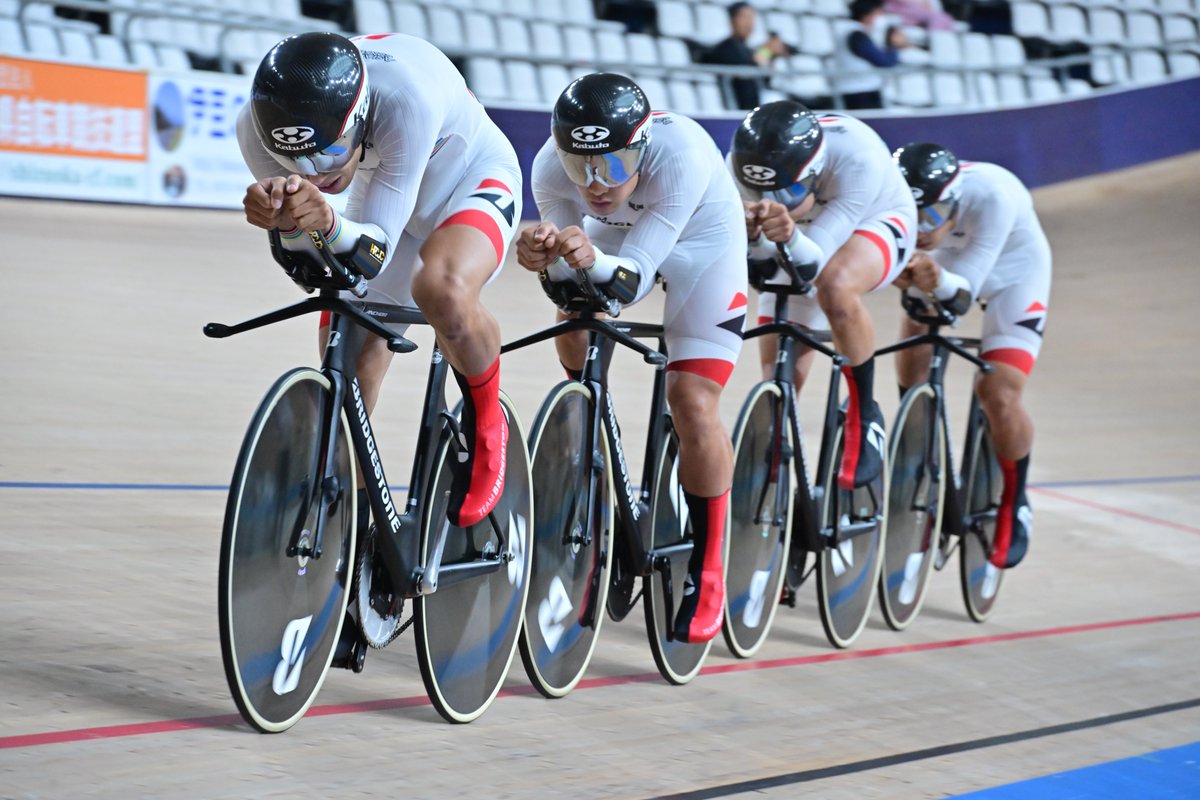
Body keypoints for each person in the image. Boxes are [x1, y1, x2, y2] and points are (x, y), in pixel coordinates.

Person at [236, 31, 522, 531]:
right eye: (295, 161)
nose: (315, 174)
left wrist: (320, 223)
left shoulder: (404, 98)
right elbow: (314, 269)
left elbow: (374, 253)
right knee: (344, 342)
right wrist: (284, 225)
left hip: (471, 182)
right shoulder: (255, 126)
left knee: (443, 290)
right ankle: (364, 531)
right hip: (390, 188)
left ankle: (487, 421)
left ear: (360, 117)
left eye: (329, 153)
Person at [516, 73, 748, 644]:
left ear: (641, 147)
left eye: (614, 166)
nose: (595, 183)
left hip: (701, 246)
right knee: (574, 309)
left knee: (691, 400)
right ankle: (587, 408)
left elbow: (634, 278)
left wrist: (584, 261)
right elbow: (573, 277)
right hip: (617, 238)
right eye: (581, 167)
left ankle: (711, 563)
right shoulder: (549, 165)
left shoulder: (682, 155)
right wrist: (546, 258)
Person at [729, 100, 917, 490]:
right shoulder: (739, 163)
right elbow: (761, 274)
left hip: (875, 217)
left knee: (835, 286)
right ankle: (775, 467)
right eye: (762, 190)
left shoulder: (857, 158)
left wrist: (784, 234)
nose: (774, 200)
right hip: (804, 230)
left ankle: (863, 413)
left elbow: (812, 266)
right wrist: (754, 241)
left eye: (789, 190)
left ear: (814, 174)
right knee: (779, 374)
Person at [892, 143, 1051, 569]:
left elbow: (962, 294)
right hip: (943, 266)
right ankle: (916, 447)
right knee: (913, 351)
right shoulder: (908, 213)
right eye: (913, 216)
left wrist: (927, 275)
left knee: (997, 392)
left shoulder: (993, 196)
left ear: (954, 201)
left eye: (931, 216)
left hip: (1012, 275)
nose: (921, 228)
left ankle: (1015, 501)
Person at [832, 0, 911, 109]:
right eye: (879, 13)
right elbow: (885, 62)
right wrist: (893, 44)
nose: (882, 17)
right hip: (859, 93)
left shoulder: (852, 32)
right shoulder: (856, 36)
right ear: (867, 15)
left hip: (859, 90)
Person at [708, 1, 766, 110]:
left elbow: (763, 80)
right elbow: (743, 67)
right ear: (732, 20)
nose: (749, 23)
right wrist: (764, 53)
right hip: (734, 108)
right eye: (744, 17)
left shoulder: (749, 50)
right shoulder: (724, 48)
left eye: (751, 17)